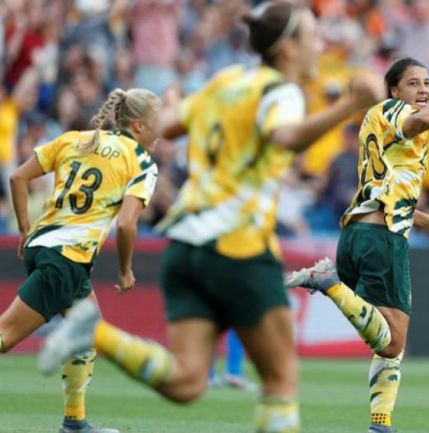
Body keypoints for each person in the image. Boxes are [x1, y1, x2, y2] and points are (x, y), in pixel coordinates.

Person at [37, 3, 384, 433]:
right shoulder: (281, 91)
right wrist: (349, 106)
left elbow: (167, 124)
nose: (320, 44)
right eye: (312, 36)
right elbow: (285, 136)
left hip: (185, 248)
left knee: (186, 381)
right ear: (288, 48)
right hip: (236, 245)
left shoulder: (226, 80)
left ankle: (94, 332)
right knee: (280, 381)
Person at [285, 57, 429, 433]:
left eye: (427, 83)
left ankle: (381, 422)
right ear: (394, 90)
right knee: (394, 343)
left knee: (390, 343)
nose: (423, 90)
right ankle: (328, 282)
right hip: (380, 240)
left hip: (359, 233)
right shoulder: (395, 111)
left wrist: (425, 220)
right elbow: (423, 120)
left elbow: (385, 188)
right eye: (413, 83)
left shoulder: (381, 124)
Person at [0, 87, 161, 433]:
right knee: (4, 336)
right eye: (157, 122)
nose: (162, 130)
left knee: (87, 333)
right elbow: (127, 223)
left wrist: (26, 228)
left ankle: (74, 423)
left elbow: (18, 177)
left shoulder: (77, 138)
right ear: (137, 126)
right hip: (67, 258)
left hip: (43, 245)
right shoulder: (141, 161)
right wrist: (124, 269)